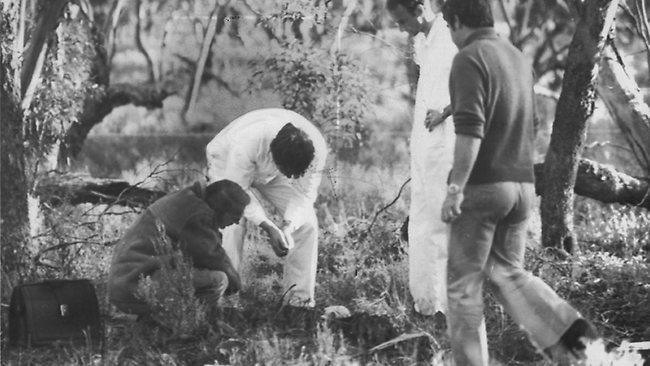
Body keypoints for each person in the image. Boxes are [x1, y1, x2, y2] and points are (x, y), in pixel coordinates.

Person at [439, 0, 600, 364]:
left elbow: (470, 130)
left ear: (459, 21)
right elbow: (534, 127)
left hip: (482, 188)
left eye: (450, 27)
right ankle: (572, 337)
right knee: (506, 274)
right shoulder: (515, 57)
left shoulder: (468, 57)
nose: (451, 36)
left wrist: (455, 188)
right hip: (522, 187)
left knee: (464, 289)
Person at [206, 108, 328, 307]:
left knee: (308, 225)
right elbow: (237, 192)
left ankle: (299, 302)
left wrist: (288, 226)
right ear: (274, 155)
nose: (292, 178)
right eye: (288, 172)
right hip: (226, 159)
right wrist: (269, 227)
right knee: (233, 221)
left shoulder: (316, 150)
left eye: (296, 173)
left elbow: (304, 197)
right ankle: (227, 300)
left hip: (273, 171)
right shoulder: (248, 141)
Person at [387, 0, 457, 317]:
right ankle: (426, 303)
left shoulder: (451, 34)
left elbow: (474, 83)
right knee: (421, 219)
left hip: (449, 137)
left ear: (419, 9)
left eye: (402, 20)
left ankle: (447, 303)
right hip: (424, 139)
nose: (401, 27)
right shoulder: (421, 41)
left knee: (442, 221)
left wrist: (446, 111)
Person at [108, 180, 250, 315]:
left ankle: (161, 319)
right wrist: (238, 286)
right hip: (135, 286)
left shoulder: (188, 199)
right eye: (235, 215)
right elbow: (212, 258)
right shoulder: (197, 214)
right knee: (219, 279)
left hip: (127, 284)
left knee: (202, 275)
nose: (237, 221)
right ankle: (190, 324)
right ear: (220, 209)